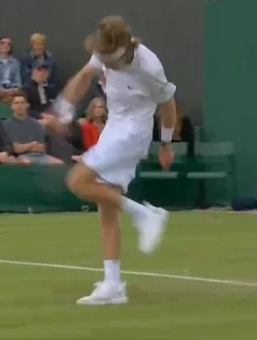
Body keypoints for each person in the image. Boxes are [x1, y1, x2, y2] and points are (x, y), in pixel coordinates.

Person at [49, 15, 175, 305]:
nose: (104, 64)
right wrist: (65, 112)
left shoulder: (149, 68)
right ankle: (113, 284)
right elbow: (83, 77)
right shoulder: (105, 52)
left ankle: (145, 214)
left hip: (135, 131)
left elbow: (169, 104)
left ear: (124, 49)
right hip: (114, 128)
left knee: (77, 180)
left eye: (109, 59)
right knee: (106, 209)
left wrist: (165, 143)